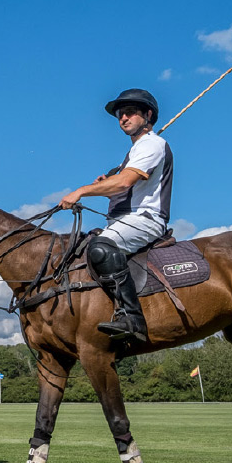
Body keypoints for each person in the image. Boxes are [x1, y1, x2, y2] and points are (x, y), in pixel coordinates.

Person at [58, 87, 173, 351]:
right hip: (124, 220)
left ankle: (133, 319)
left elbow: (125, 182)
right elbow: (121, 179)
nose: (123, 117)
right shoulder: (135, 152)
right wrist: (108, 179)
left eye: (131, 112)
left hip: (146, 219)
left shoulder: (153, 144)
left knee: (101, 248)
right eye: (121, 114)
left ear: (148, 114)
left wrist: (82, 191)